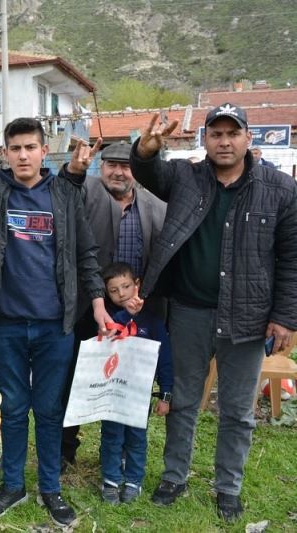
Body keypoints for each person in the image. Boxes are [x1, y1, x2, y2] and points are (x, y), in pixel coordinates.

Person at [130, 103, 297, 522]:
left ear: (248, 138)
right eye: (216, 134)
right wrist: (146, 151)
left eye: (232, 133)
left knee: (238, 411)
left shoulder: (280, 189)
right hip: (189, 311)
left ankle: (228, 487)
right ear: (204, 139)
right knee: (184, 399)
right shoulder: (185, 177)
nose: (224, 141)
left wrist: (286, 316)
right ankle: (174, 477)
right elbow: (148, 173)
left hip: (248, 317)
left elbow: (291, 258)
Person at [0, 119, 109, 526]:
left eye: (30, 147)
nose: (22, 155)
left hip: (56, 325)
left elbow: (86, 254)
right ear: (5, 153)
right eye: (15, 148)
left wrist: (99, 304)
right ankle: (14, 485)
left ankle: (50, 488)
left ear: (42, 152)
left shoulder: (64, 194)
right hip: (7, 325)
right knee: (14, 406)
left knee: (50, 410)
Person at [58, 141, 167, 467]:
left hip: (135, 313)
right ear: (99, 167)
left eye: (126, 165)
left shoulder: (154, 206)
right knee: (73, 381)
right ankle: (65, 450)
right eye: (111, 165)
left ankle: (123, 454)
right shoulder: (84, 193)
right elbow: (63, 191)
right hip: (86, 311)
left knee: (130, 381)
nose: (118, 171)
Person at [98, 262, 172, 505]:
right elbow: (111, 332)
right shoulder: (107, 318)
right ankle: (110, 480)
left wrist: (166, 394)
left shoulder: (153, 322)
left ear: (137, 285)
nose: (122, 294)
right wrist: (128, 315)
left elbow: (164, 359)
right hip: (113, 393)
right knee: (111, 435)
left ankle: (133, 481)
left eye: (126, 286)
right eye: (114, 290)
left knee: (136, 438)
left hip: (139, 395)